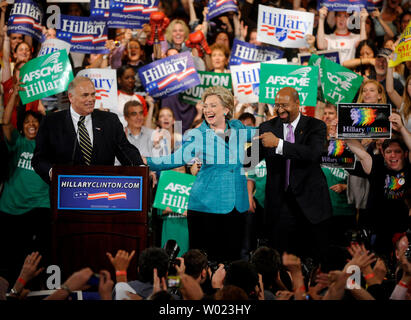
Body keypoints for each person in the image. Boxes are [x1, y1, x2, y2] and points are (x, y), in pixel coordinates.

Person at [146, 86, 257, 262]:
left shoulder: (237, 127)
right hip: (206, 206)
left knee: (233, 260)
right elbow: (176, 159)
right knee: (205, 261)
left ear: (226, 109)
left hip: (237, 205)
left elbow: (260, 134)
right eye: (205, 106)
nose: (207, 110)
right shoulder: (198, 134)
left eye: (213, 105)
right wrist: (145, 162)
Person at [254, 86, 332, 263]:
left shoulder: (316, 126)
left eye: (284, 105)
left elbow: (313, 154)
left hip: (311, 206)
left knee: (315, 262)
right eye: (276, 105)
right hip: (280, 207)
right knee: (282, 262)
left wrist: (279, 144)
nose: (280, 110)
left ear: (298, 103)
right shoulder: (267, 127)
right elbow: (249, 159)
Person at [32, 76, 144, 184]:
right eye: (85, 95)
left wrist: (141, 168)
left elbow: (125, 149)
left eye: (93, 94)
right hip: (66, 193)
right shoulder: (52, 122)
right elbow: (39, 159)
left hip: (103, 191)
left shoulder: (109, 120)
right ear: (71, 97)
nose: (91, 99)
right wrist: (52, 172)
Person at [346, 113, 411, 256]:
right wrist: (344, 131)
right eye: (388, 152)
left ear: (405, 154)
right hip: (378, 230)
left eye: (397, 152)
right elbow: (361, 153)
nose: (392, 155)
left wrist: (401, 128)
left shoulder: (409, 167)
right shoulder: (377, 164)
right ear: (383, 153)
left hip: (403, 229)